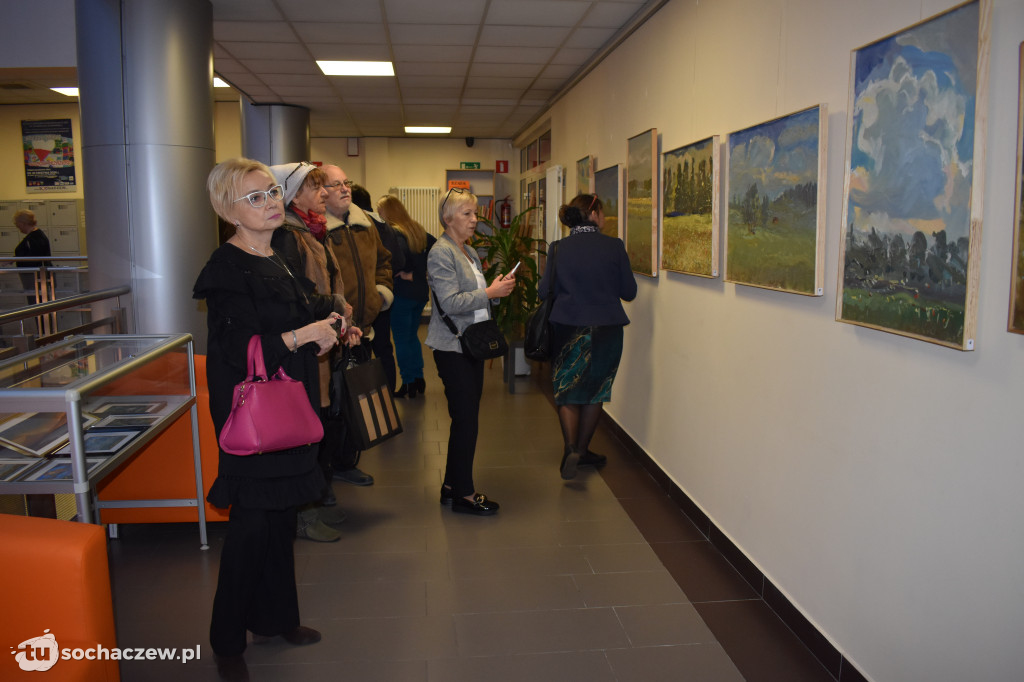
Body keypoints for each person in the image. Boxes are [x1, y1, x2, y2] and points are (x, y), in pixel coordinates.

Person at [193, 157, 344, 682]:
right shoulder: (226, 269)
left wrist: (334, 318)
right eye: (253, 197)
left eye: (271, 192)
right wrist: (305, 336)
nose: (270, 202)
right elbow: (237, 349)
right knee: (252, 528)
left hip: (288, 405)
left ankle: (278, 619)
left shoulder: (276, 255)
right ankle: (227, 637)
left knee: (281, 522)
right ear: (225, 210)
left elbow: (303, 305)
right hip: (252, 413)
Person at [269, 161, 362, 543]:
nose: (324, 193)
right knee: (308, 430)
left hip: (323, 343)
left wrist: (340, 320)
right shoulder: (289, 236)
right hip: (304, 350)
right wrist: (335, 306)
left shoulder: (312, 231)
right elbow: (300, 298)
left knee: (321, 424)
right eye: (315, 187)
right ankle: (305, 514)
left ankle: (318, 499)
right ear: (293, 195)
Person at [426, 187, 515, 515]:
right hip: (452, 347)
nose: (474, 220)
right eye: (467, 214)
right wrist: (489, 291)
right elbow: (449, 303)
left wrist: (495, 291)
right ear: (448, 219)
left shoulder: (469, 252)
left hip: (470, 344)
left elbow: (474, 297)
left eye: (475, 214)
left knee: (466, 419)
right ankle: (463, 494)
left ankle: (451, 484)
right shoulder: (441, 252)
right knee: (466, 420)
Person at [538, 193, 637, 480]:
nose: (605, 218)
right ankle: (582, 449)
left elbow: (543, 292)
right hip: (607, 328)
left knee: (567, 388)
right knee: (596, 391)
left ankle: (571, 448)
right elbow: (629, 292)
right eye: (603, 212)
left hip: (568, 326)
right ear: (593, 214)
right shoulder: (614, 246)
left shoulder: (558, 249)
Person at [321, 164, 394, 487]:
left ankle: (346, 461)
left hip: (364, 328)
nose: (344, 189)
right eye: (335, 184)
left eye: (346, 182)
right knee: (331, 403)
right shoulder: (317, 230)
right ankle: (327, 468)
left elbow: (384, 261)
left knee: (354, 397)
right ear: (321, 192)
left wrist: (381, 294)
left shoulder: (367, 225)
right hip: (331, 335)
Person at [377, 194, 436, 398]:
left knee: (401, 340)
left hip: (401, 293)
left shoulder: (393, 232)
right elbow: (435, 251)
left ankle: (409, 382)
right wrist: (418, 273)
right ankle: (418, 378)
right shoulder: (417, 229)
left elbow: (397, 260)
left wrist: (403, 270)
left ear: (388, 212)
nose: (378, 214)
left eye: (380, 211)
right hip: (420, 293)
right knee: (412, 337)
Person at [349, 183, 404, 394]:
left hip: (365, 300)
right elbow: (397, 260)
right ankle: (387, 395)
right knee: (384, 348)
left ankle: (368, 401)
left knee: (362, 352)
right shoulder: (385, 225)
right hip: (383, 297)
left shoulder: (362, 226)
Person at [11, 209, 51, 304]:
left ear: (23, 223)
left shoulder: (34, 238)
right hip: (35, 277)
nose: (17, 226)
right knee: (39, 303)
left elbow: (33, 257)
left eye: (17, 224)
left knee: (37, 303)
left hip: (34, 278)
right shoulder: (36, 236)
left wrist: (15, 259)